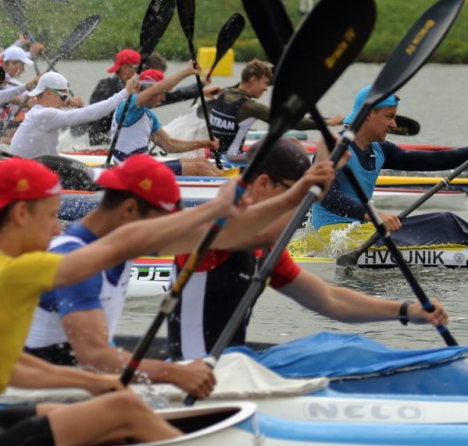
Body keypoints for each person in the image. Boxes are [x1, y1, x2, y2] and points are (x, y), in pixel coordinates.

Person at [0, 157, 244, 446]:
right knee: (124, 409)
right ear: (21, 214)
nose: (55, 230)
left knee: (77, 410)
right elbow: (119, 245)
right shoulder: (9, 275)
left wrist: (91, 382)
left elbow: (11, 367)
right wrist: (216, 207)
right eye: (51, 216)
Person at [168, 138, 449, 360]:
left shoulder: (264, 251)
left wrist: (407, 310)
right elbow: (242, 222)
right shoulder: (216, 231)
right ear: (265, 183)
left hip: (231, 367)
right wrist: (305, 189)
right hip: (196, 375)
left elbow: (331, 300)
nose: (238, 183)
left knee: (344, 348)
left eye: (245, 175)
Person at [24, 155, 216, 398]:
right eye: (162, 223)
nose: (164, 232)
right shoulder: (76, 260)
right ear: (129, 210)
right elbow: (95, 357)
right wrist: (175, 373)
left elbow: (229, 236)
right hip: (39, 398)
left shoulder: (125, 242)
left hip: (79, 386)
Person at [310, 86, 468, 249]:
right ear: (368, 114)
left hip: (361, 231)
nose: (394, 124)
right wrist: (373, 214)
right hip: (332, 236)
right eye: (389, 117)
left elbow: (436, 160)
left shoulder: (381, 149)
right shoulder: (335, 148)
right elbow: (327, 195)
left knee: (445, 223)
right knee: (444, 223)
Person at [209, 59, 343, 164]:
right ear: (253, 80)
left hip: (215, 156)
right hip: (230, 161)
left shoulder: (222, 95)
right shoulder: (250, 107)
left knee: (288, 140)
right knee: (291, 143)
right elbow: (292, 123)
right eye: (265, 83)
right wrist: (328, 123)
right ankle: (309, 173)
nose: (266, 88)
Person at [80, 49, 218, 146]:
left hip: (108, 138)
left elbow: (167, 95)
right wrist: (197, 85)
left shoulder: (112, 84)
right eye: (137, 69)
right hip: (101, 143)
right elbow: (169, 95)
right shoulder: (119, 90)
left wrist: (200, 88)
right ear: (126, 69)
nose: (140, 73)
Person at [109, 67, 221, 176]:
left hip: (143, 168)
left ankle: (225, 181)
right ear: (149, 90)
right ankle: (227, 190)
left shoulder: (149, 116)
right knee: (199, 168)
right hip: (130, 173)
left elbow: (169, 144)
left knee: (202, 162)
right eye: (161, 93)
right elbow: (156, 89)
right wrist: (188, 71)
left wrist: (205, 143)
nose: (163, 99)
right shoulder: (128, 106)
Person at [10, 72, 136, 158]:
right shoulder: (45, 114)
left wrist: (67, 102)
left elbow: (33, 100)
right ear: (48, 93)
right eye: (63, 96)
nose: (64, 100)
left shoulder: (37, 110)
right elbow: (90, 114)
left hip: (33, 164)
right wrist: (125, 92)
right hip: (29, 171)